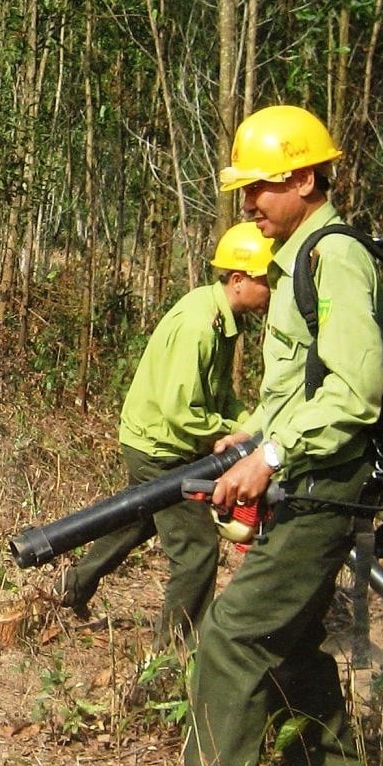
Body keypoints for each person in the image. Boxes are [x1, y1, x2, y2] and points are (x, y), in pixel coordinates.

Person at [145, 105, 383, 766]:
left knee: (229, 635)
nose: (248, 204)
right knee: (296, 643)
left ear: (305, 178)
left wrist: (272, 457)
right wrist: (253, 430)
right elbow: (303, 383)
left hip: (322, 488)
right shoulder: (300, 260)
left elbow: (356, 390)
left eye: (260, 188)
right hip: (309, 479)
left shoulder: (332, 256)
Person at [60, 222, 274, 643]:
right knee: (197, 551)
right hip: (160, 447)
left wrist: (248, 426)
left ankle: (70, 586)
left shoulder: (222, 318)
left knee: (138, 519)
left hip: (159, 441)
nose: (272, 289)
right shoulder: (200, 325)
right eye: (266, 280)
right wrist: (227, 436)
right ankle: (170, 660)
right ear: (237, 280)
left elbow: (217, 394)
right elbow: (182, 411)